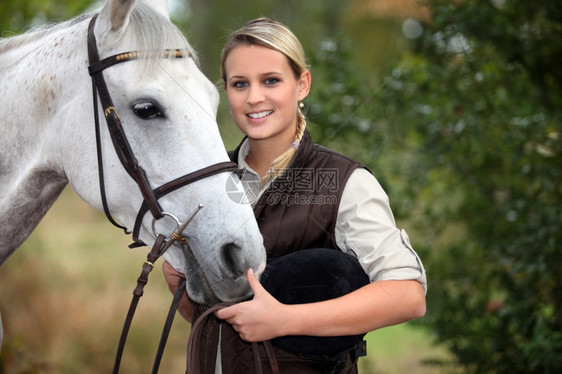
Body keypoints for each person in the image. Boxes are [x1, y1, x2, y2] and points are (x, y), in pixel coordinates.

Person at [163, 17, 427, 373]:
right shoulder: (206, 185)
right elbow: (220, 320)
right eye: (240, 83)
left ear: (302, 84)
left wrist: (284, 320)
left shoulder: (345, 181)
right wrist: (183, 290)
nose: (255, 97)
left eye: (271, 80)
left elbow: (408, 296)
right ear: (225, 91)